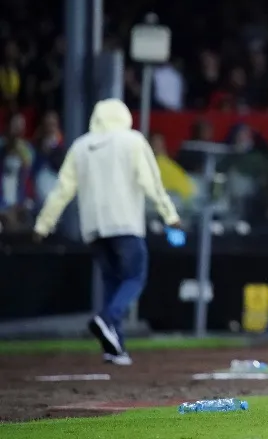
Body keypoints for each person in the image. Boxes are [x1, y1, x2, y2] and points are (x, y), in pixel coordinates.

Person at [33, 99, 181, 365]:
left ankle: (115, 348)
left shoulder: (81, 146)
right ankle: (107, 319)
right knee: (135, 276)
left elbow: (61, 190)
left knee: (113, 283)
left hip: (94, 229)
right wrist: (170, 214)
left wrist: (43, 224)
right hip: (125, 225)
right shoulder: (132, 141)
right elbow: (152, 182)